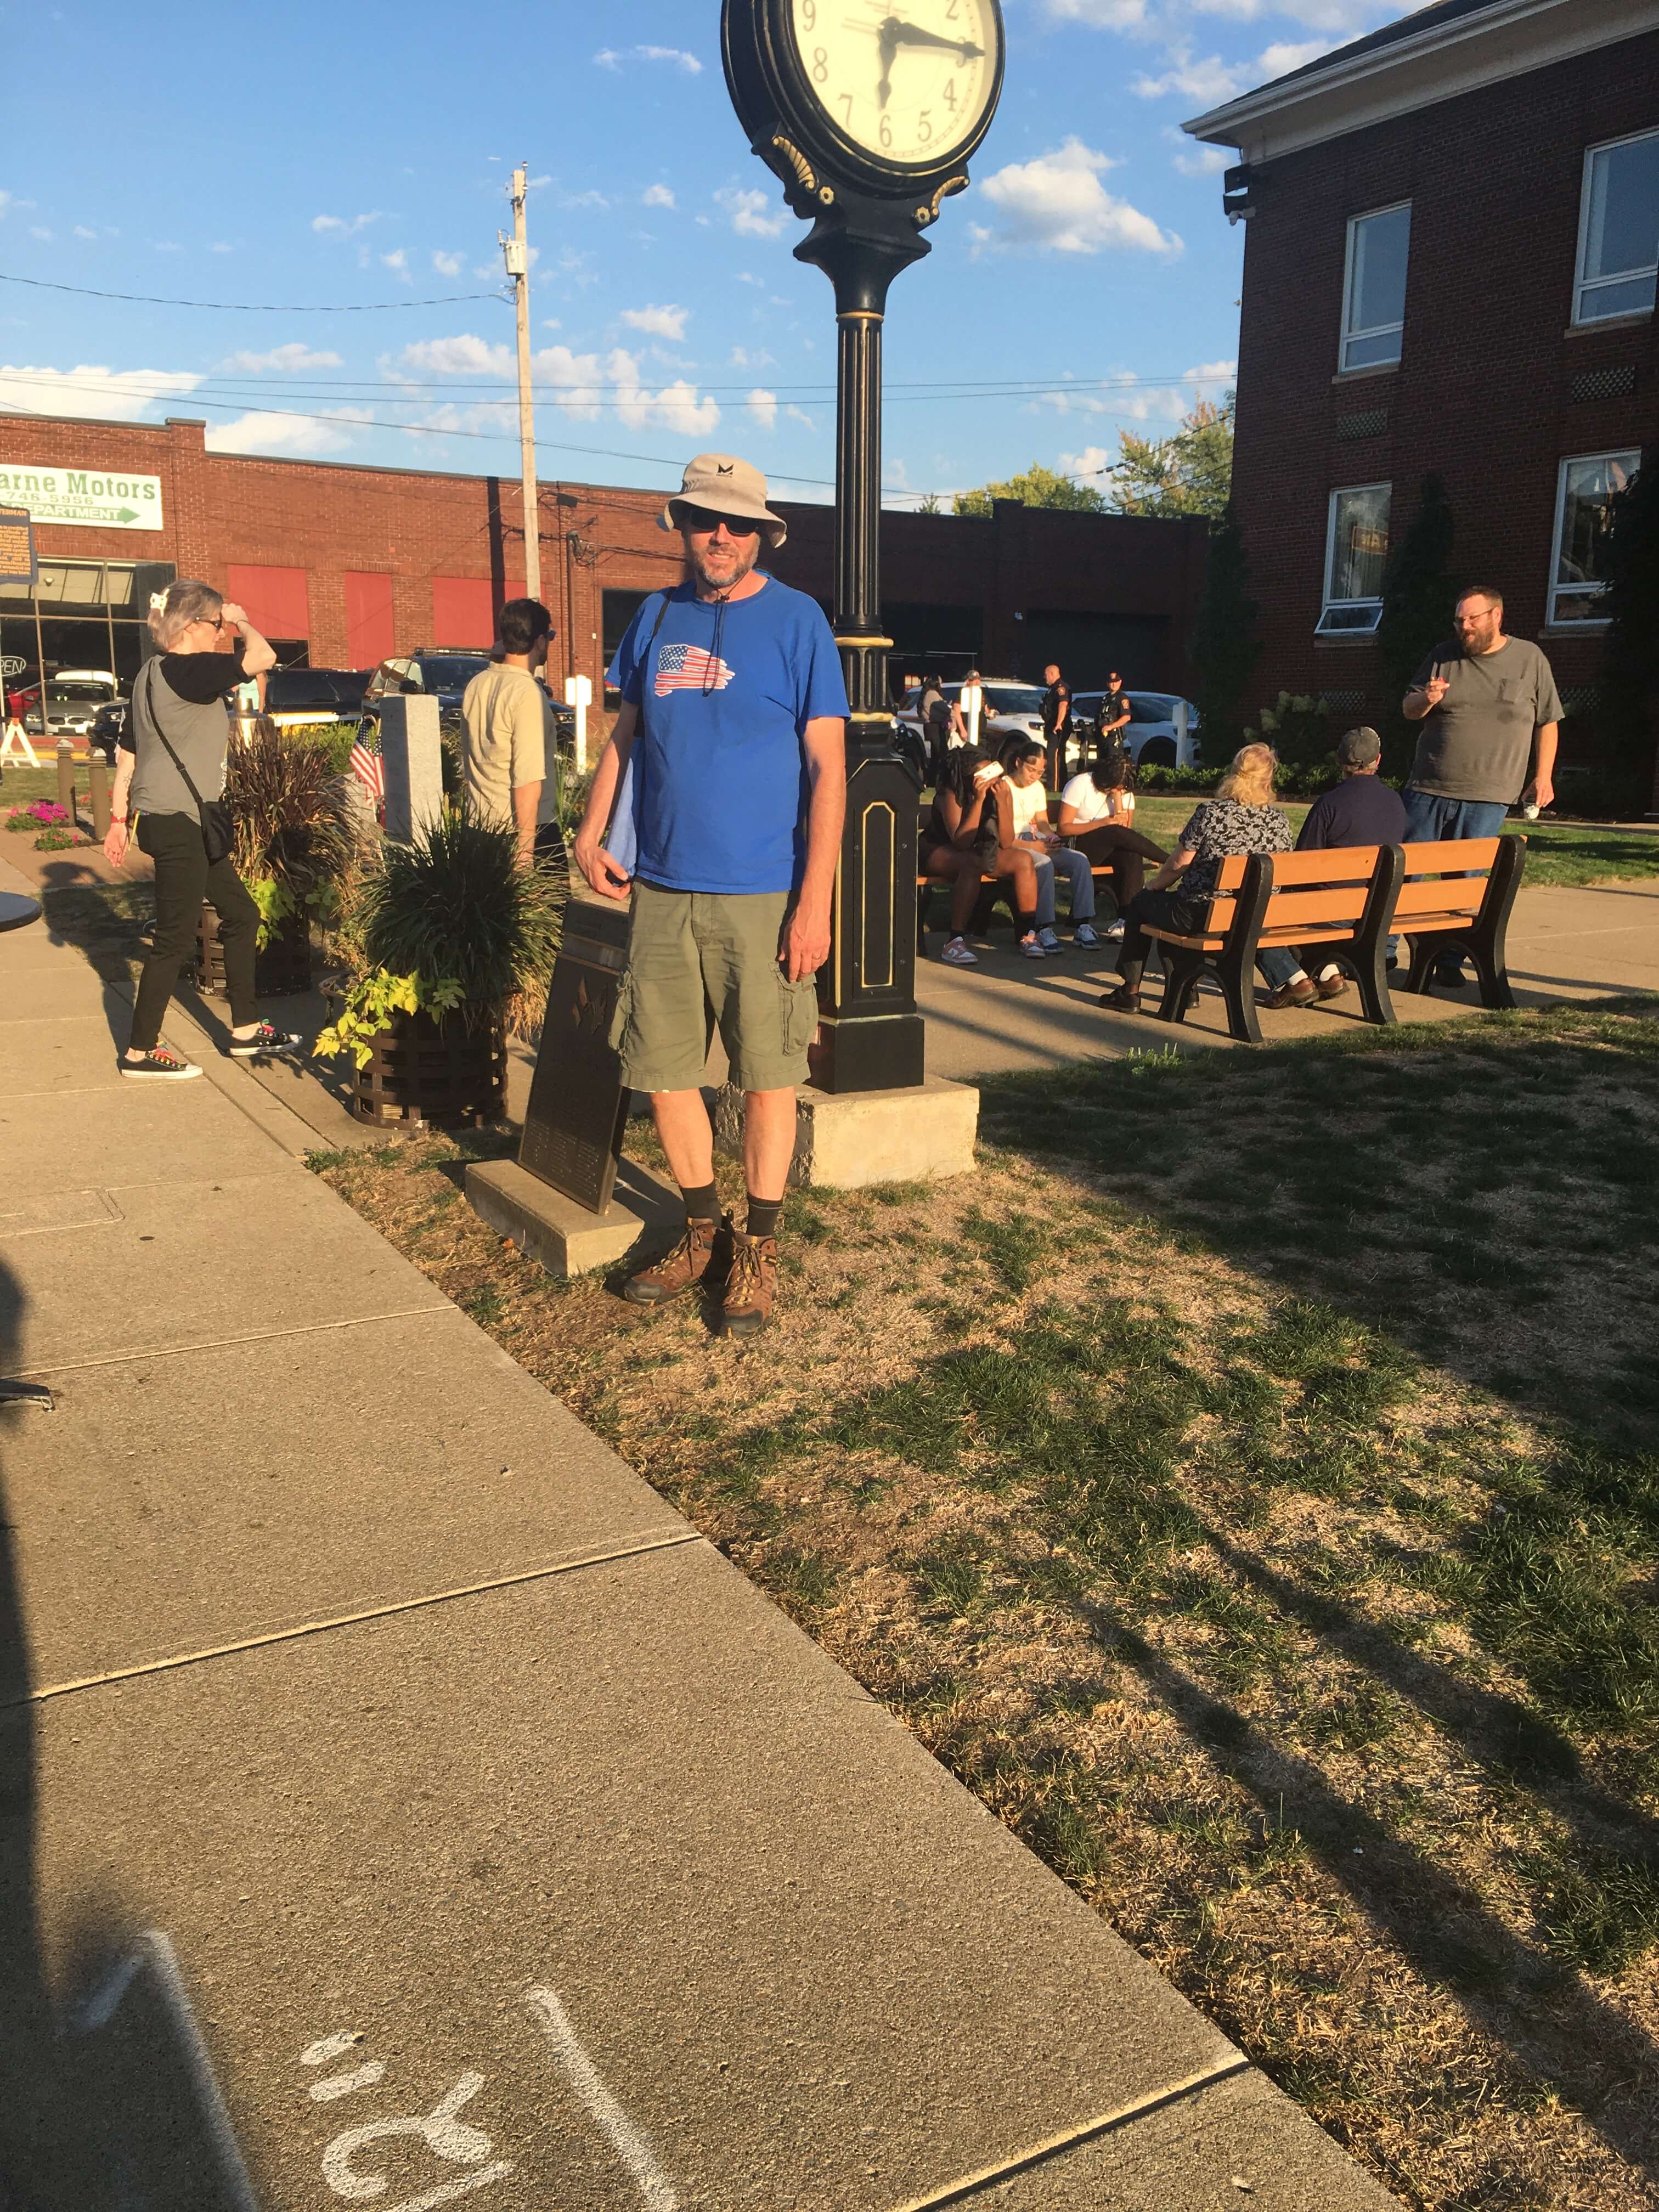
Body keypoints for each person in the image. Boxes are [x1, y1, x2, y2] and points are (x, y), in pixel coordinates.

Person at [572, 453, 847, 1336]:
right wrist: (590, 824)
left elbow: (830, 769)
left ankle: (758, 1254)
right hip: (660, 887)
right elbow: (628, 733)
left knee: (767, 1077)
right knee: (662, 1071)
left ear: (761, 532)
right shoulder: (656, 615)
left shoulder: (800, 622)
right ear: (682, 528)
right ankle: (700, 1233)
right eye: (702, 520)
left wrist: (817, 902)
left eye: (735, 523)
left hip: (765, 892)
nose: (718, 536)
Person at [102, 581, 298, 1080]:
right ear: (191, 627)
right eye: (215, 625)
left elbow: (128, 751)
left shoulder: (148, 675)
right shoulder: (187, 669)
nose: (220, 634)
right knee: (173, 940)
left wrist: (119, 819)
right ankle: (140, 1054)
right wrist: (243, 619)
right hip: (180, 824)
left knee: (241, 913)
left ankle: (246, 1031)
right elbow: (264, 656)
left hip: (176, 819)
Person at [1402, 584, 1561, 985]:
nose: (1464, 626)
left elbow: (1548, 722)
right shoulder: (1442, 656)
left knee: (1467, 883)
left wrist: (1542, 777)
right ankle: (1384, 952)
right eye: (1459, 620)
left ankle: (1450, 962)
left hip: (1489, 795)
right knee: (1406, 874)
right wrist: (1428, 700)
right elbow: (1408, 709)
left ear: (1497, 617)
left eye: (1472, 618)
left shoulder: (1529, 659)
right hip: (1428, 787)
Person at [1099, 741, 1297, 1015]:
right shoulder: (1279, 820)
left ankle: (1130, 992)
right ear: (1268, 780)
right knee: (1166, 909)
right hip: (1254, 915)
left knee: (1143, 904)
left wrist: (1152, 887)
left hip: (1203, 914)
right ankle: (1186, 989)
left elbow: (1179, 864)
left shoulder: (1211, 814)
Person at [1267, 724, 1410, 1007]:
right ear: (1378, 761)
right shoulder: (1396, 802)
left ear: (1339, 762)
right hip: (1380, 908)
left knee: (1285, 906)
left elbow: (1301, 865)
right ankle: (1328, 972)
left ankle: (1304, 976)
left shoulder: (1330, 804)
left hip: (1334, 912)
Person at [919, 745, 1045, 966]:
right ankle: (955, 941)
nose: (991, 779)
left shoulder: (1000, 791)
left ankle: (1029, 932)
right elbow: (961, 841)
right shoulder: (950, 794)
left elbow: (1006, 842)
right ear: (970, 775)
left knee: (1023, 860)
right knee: (971, 864)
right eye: (984, 774)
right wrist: (978, 801)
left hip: (978, 851)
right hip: (939, 849)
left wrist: (1004, 802)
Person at [460, 596, 555, 869]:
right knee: (554, 912)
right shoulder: (526, 693)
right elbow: (527, 777)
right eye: (549, 636)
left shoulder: (477, 684)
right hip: (525, 829)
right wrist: (525, 856)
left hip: (478, 827)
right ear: (538, 641)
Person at [1056, 744, 1169, 940]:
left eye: (1123, 788)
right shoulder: (1081, 784)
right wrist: (1103, 823)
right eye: (1117, 786)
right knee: (1113, 832)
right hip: (1079, 847)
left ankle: (1125, 922)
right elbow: (1063, 828)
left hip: (1111, 848)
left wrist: (1118, 799)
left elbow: (1125, 833)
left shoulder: (1123, 793)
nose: (1120, 790)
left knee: (1132, 854)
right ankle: (1171, 860)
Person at [1000, 738, 1098, 949]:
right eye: (1030, 770)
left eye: (1040, 773)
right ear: (1018, 763)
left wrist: (1051, 837)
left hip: (1035, 840)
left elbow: (1042, 821)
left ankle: (1082, 924)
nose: (1034, 777)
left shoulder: (1037, 789)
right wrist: (1035, 846)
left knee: (1079, 861)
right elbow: (1005, 838)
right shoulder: (1004, 787)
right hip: (1013, 844)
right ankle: (1043, 927)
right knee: (1045, 864)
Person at [1041, 662, 1073, 778]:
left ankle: (1053, 785)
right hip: (1051, 725)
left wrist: (1059, 723)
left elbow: (1063, 705)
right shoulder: (1052, 689)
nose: (1044, 678)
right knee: (1057, 756)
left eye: (1046, 675)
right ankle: (1060, 784)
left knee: (1053, 756)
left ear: (1052, 674)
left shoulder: (1061, 688)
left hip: (1058, 727)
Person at [1097, 670, 1131, 751]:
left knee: (1114, 761)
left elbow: (1127, 717)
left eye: (1116, 682)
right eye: (1111, 682)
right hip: (1103, 737)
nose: (1114, 684)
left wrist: (1111, 727)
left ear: (1120, 682)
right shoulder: (1105, 699)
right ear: (1107, 684)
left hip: (1114, 738)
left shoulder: (1122, 698)